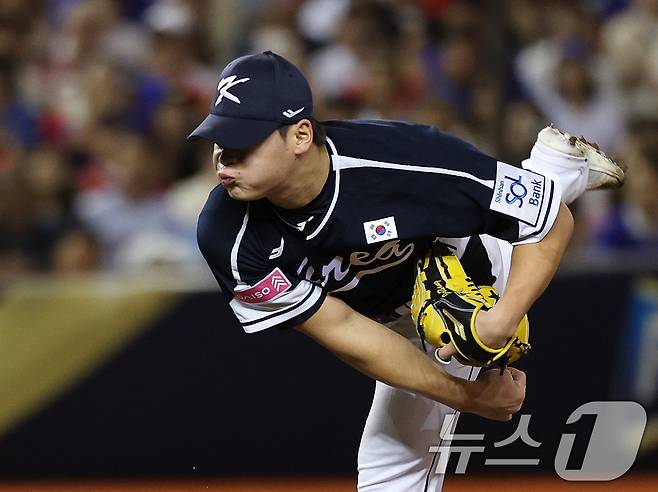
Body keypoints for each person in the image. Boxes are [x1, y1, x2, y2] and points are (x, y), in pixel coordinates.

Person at [189, 51, 623, 491]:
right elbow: (343, 329)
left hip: (465, 280)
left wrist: (499, 322)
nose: (223, 157)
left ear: (301, 135)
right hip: (381, 315)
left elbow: (551, 223)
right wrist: (468, 397)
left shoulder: (405, 161)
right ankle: (556, 168)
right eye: (218, 139)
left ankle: (552, 174)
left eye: (242, 141)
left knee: (389, 470)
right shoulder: (226, 234)